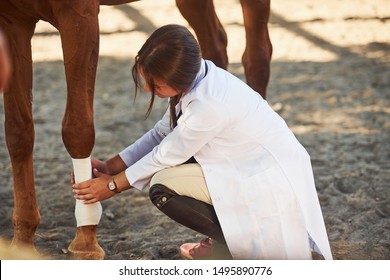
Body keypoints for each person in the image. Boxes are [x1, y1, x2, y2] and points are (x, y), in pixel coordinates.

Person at [72, 24, 333, 260]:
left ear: (178, 80)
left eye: (158, 86)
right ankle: (228, 238)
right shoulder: (198, 75)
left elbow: (166, 154)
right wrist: (111, 166)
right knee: (168, 171)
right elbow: (161, 133)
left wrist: (112, 186)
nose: (149, 90)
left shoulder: (209, 104)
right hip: (246, 166)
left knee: (162, 186)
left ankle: (228, 244)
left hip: (266, 179)